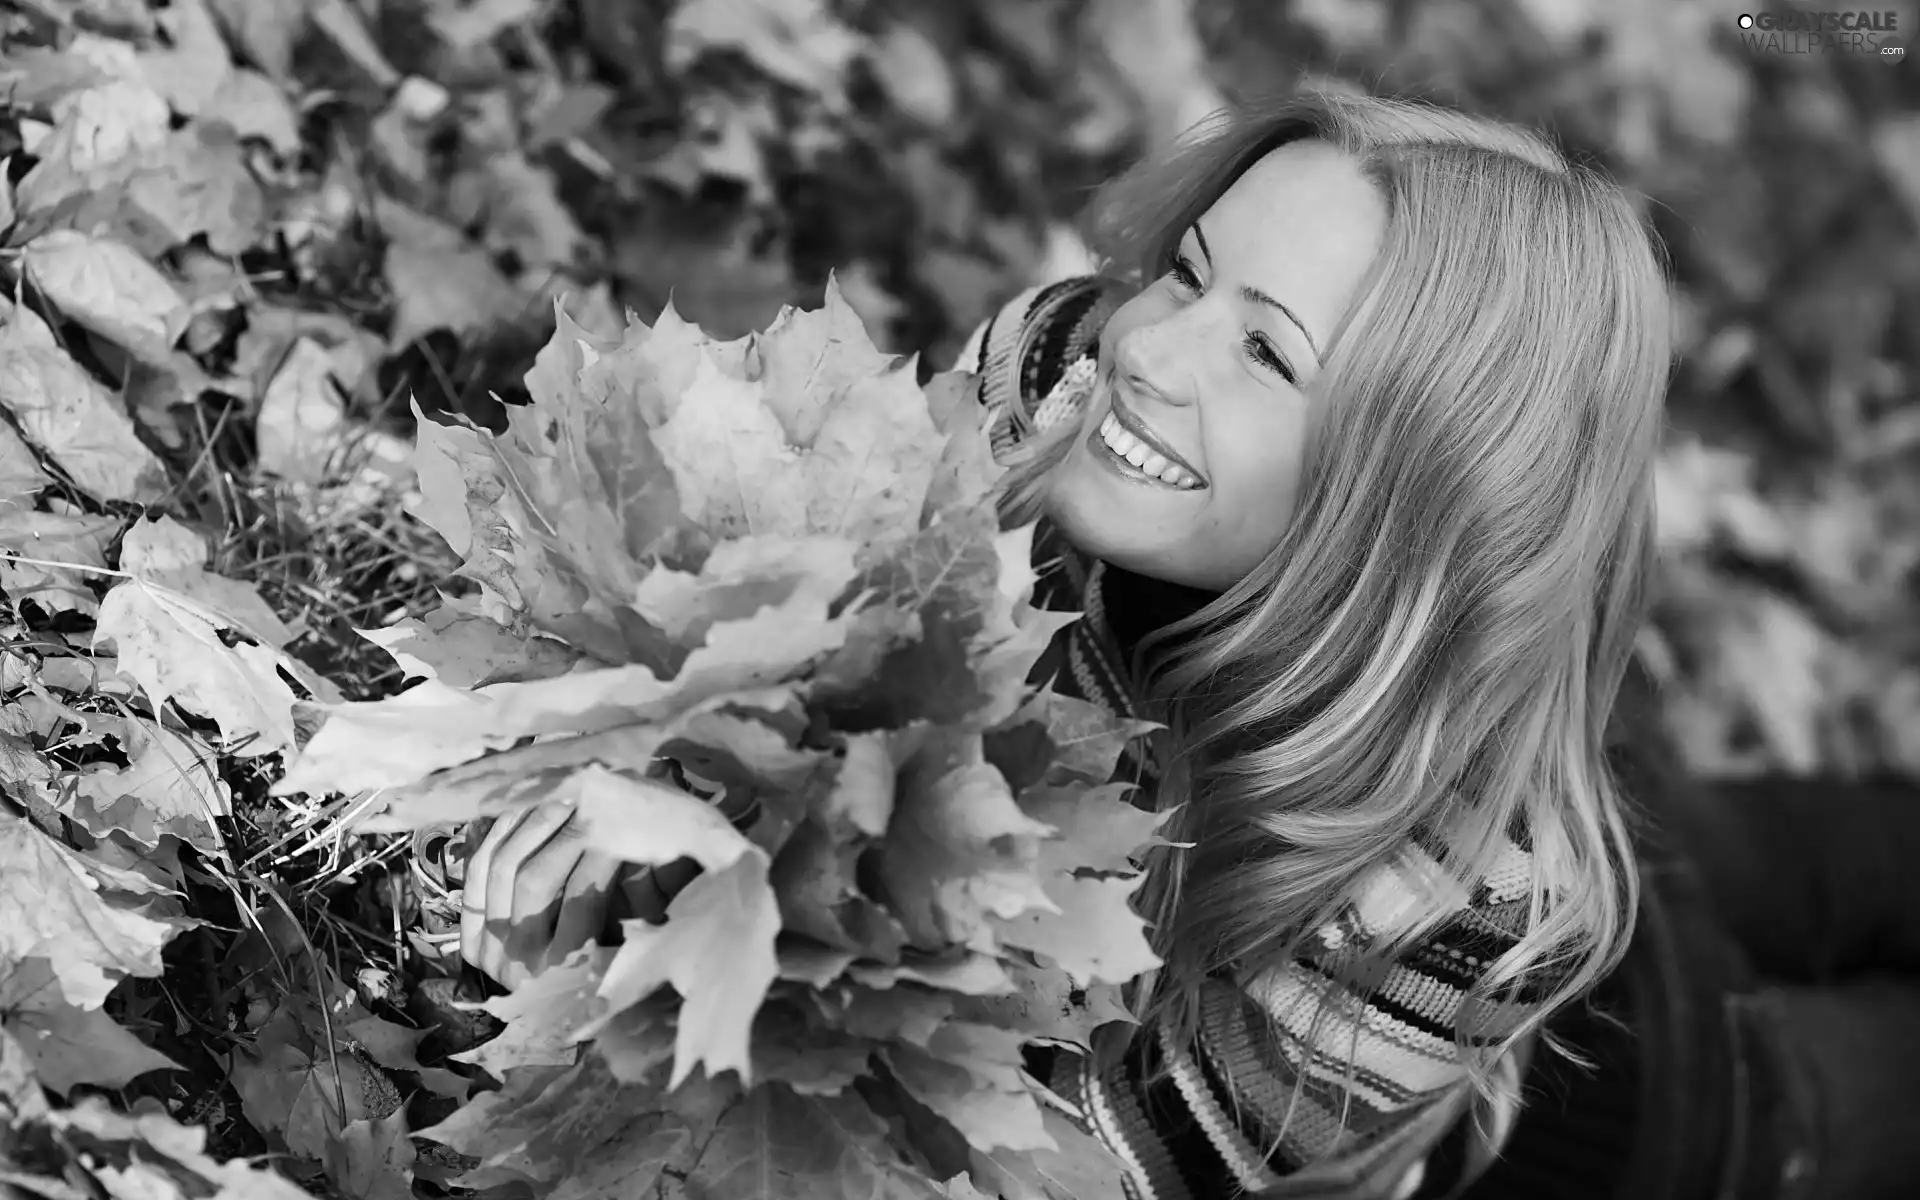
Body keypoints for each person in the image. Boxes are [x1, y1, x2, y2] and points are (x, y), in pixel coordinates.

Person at [451, 93, 1920, 1198]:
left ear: (1414, 492)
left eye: (1268, 351)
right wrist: (632, 873)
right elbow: (807, 664)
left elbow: (1059, 1176)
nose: (1152, 347)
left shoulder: (1444, 901)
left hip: (1622, 1087)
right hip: (1484, 762)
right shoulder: (1059, 370)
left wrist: (702, 1025)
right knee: (1769, 848)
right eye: (1192, 271)